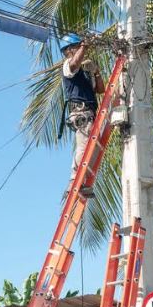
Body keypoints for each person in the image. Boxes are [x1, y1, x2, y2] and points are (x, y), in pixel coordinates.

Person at [60, 33, 106, 198]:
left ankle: (81, 181)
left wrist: (96, 72)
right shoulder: (68, 67)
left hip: (89, 113)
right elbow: (74, 64)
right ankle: (75, 180)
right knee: (84, 146)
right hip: (81, 112)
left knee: (90, 148)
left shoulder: (84, 74)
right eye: (77, 47)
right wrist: (84, 46)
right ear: (69, 50)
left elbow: (100, 90)